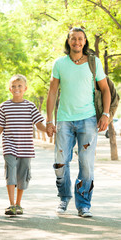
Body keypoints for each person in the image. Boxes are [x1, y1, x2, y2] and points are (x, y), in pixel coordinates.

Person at [46, 27, 111, 218]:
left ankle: (83, 204)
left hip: (88, 120)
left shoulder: (94, 62)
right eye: (73, 39)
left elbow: (105, 89)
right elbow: (52, 92)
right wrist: (49, 120)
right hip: (64, 120)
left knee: (86, 164)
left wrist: (106, 114)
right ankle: (64, 197)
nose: (77, 42)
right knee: (60, 162)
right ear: (68, 41)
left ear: (85, 41)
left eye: (80, 39)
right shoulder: (59, 63)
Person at [0, 74, 46, 215]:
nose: (17, 88)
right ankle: (11, 204)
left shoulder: (30, 106)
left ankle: (18, 204)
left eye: (20, 86)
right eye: (14, 86)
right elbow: (0, 127)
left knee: (23, 175)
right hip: (9, 145)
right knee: (11, 172)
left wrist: (47, 129)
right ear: (10, 89)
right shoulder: (4, 106)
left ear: (25, 88)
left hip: (25, 147)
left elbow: (38, 123)